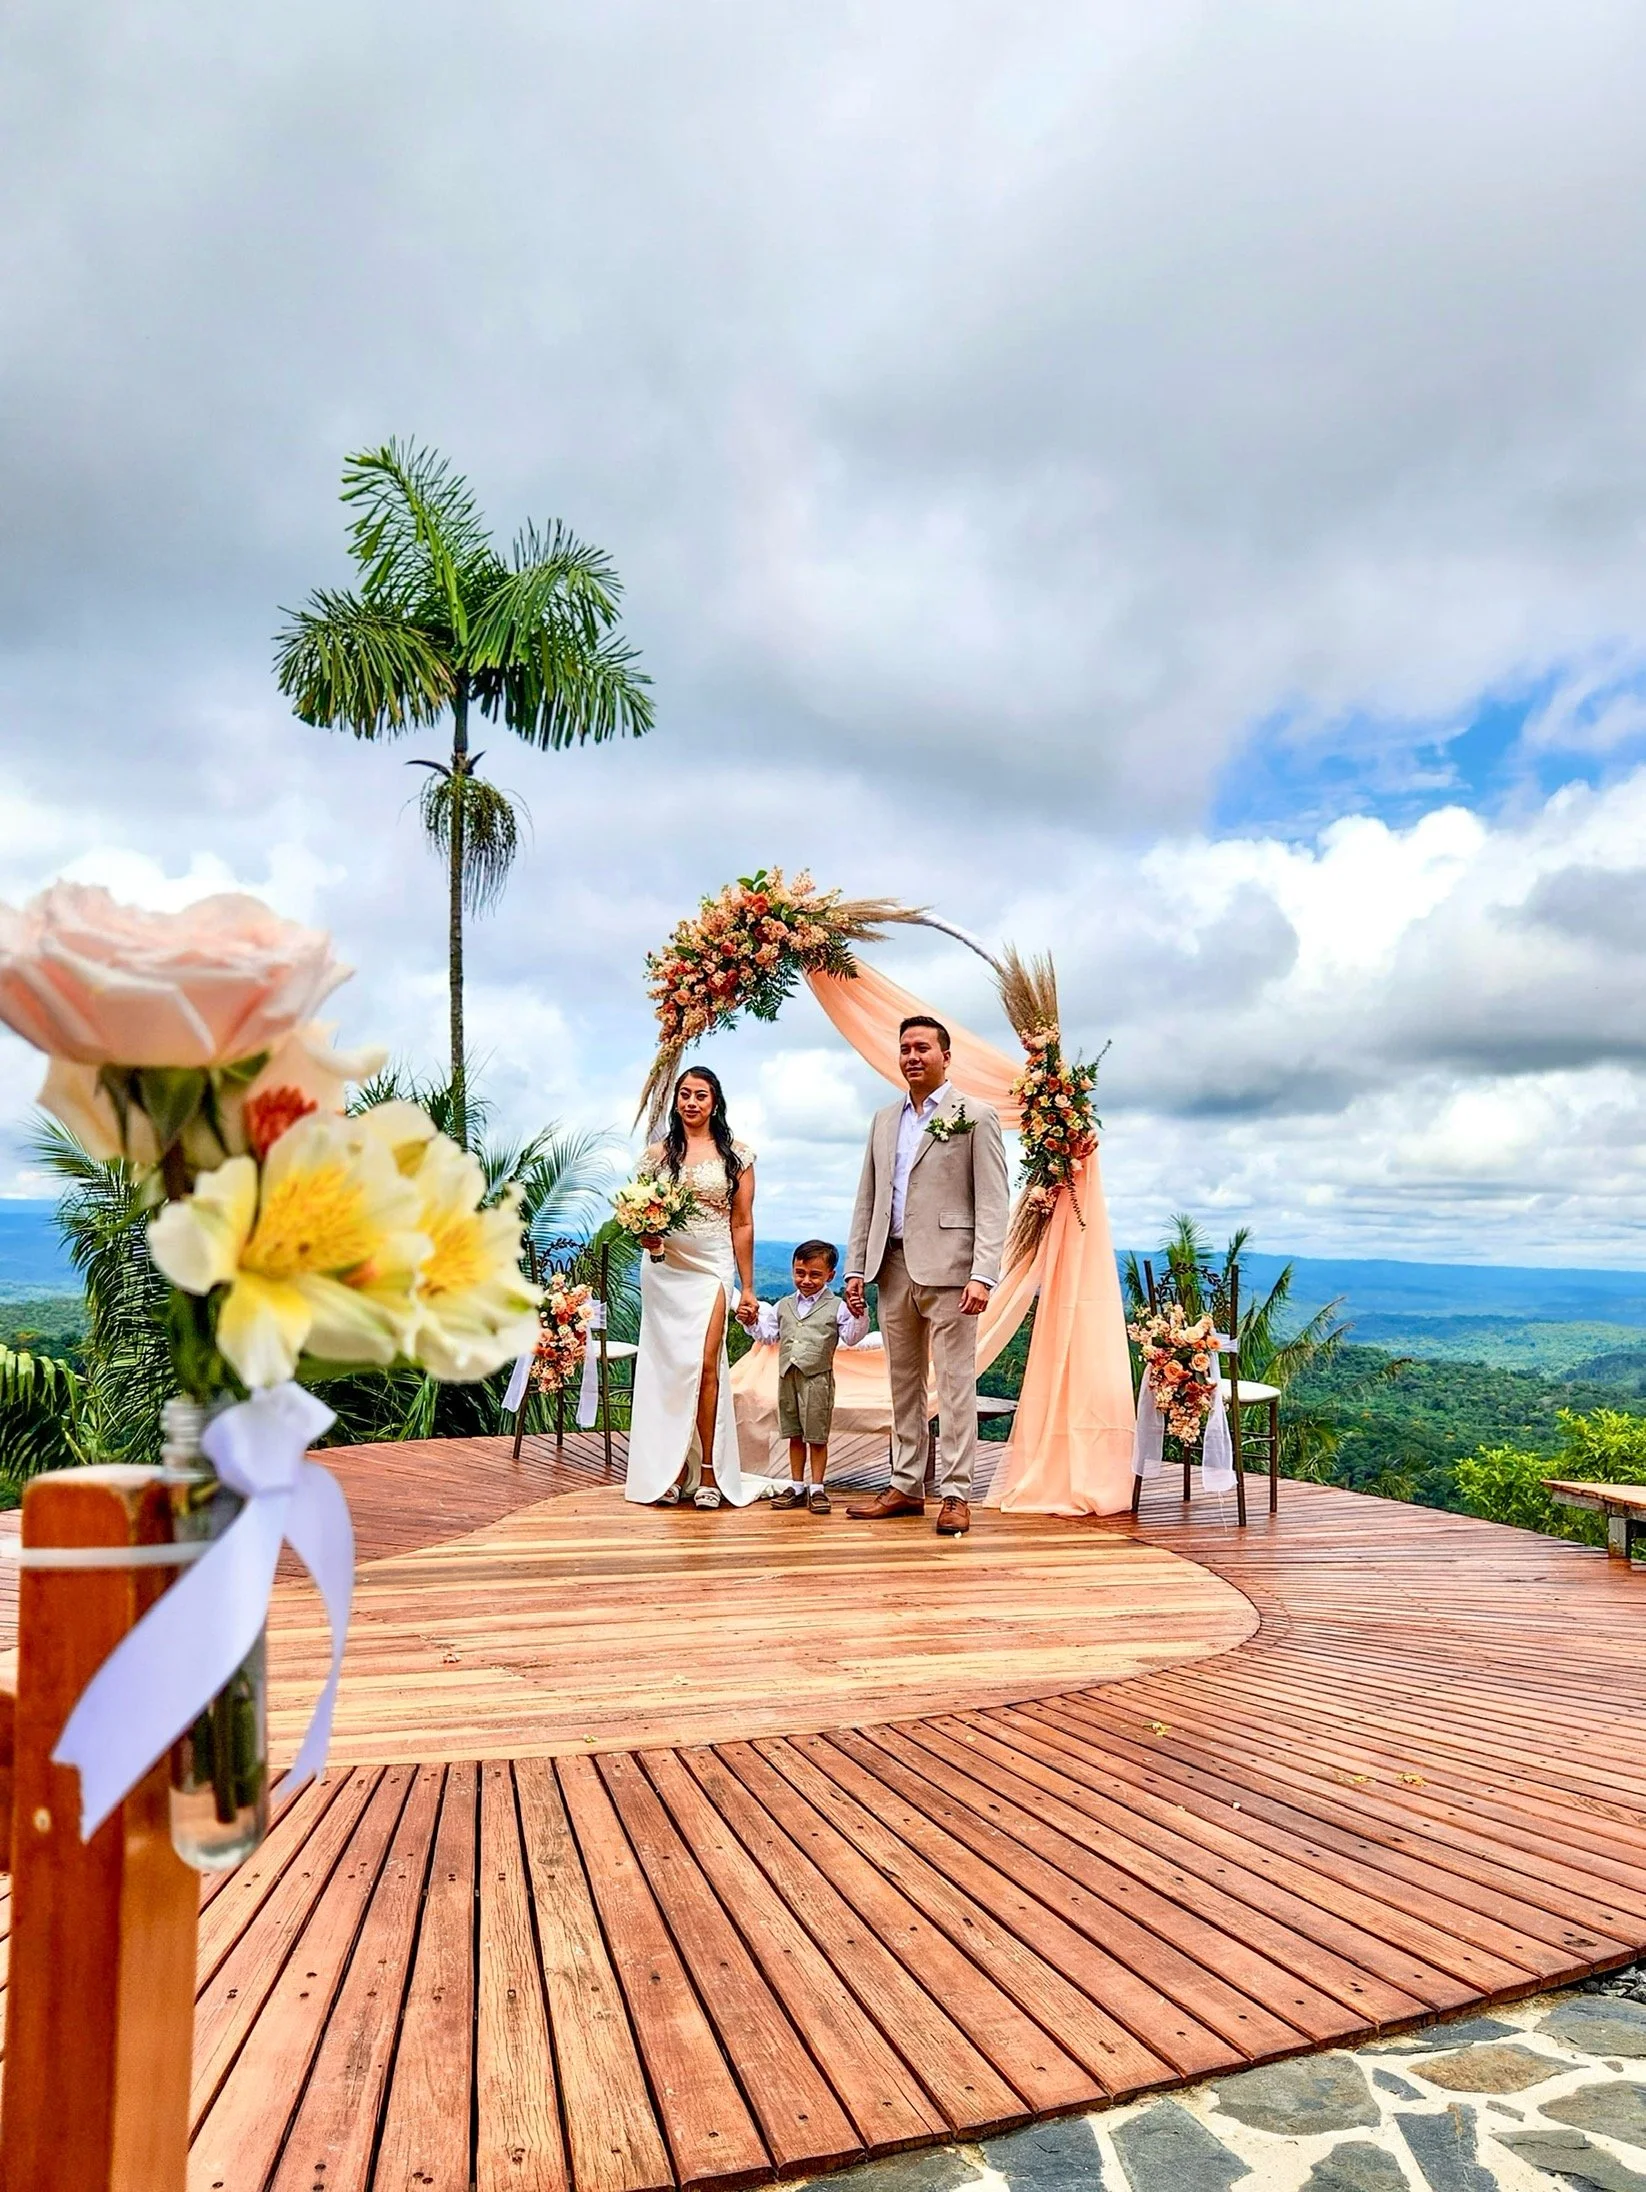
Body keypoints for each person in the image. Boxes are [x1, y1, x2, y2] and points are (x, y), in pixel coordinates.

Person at [843, 1015, 1010, 1537]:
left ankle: (957, 1493)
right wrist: (854, 1267)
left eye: (922, 1048)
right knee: (902, 1383)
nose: (912, 1056)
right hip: (890, 1266)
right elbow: (868, 1196)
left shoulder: (975, 1116)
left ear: (945, 1056)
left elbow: (993, 1202)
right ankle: (906, 1485)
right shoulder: (883, 1119)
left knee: (956, 1384)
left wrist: (983, 1274)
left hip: (953, 1272)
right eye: (905, 1049)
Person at [625, 1066, 761, 1510]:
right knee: (668, 1369)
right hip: (664, 1269)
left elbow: (741, 1222)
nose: (691, 1102)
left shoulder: (737, 1156)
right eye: (684, 1094)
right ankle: (670, 1468)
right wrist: (646, 1234)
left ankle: (707, 1473)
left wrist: (748, 1287)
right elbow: (640, 1212)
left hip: (712, 1266)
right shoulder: (655, 1157)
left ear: (715, 1102)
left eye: (700, 1095)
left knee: (705, 1364)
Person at [752, 1239, 870, 1514]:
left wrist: (859, 1314)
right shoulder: (783, 1305)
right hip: (787, 1377)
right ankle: (796, 1484)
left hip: (818, 1379)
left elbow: (852, 1337)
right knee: (794, 1432)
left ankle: (817, 1487)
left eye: (815, 1274)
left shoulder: (837, 1306)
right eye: (800, 1273)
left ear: (830, 1275)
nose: (806, 1280)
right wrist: (750, 1321)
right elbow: (768, 1335)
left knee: (816, 1435)